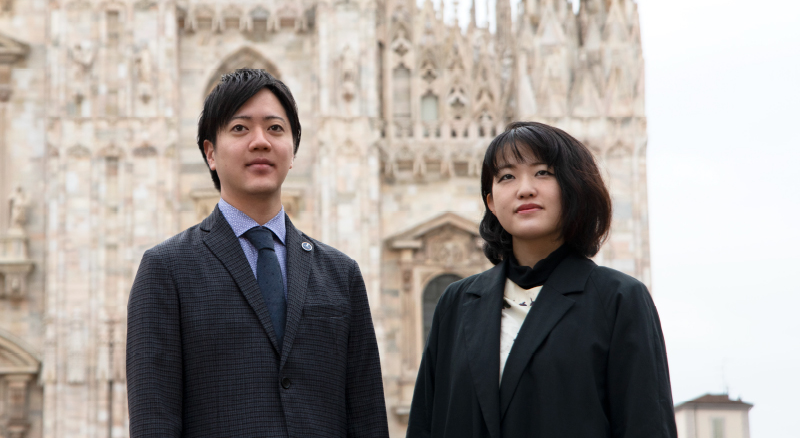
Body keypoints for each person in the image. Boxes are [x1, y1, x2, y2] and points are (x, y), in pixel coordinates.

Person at [127, 69, 390, 437]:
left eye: (275, 128)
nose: (260, 141)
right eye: (240, 128)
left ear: (293, 151)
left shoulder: (341, 274)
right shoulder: (167, 269)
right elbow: (154, 420)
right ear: (210, 153)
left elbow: (367, 419)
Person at [406, 122, 677, 438]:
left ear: (574, 187)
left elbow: (646, 424)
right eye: (507, 177)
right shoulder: (457, 302)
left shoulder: (618, 299)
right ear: (491, 201)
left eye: (543, 173)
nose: (524, 189)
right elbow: (425, 423)